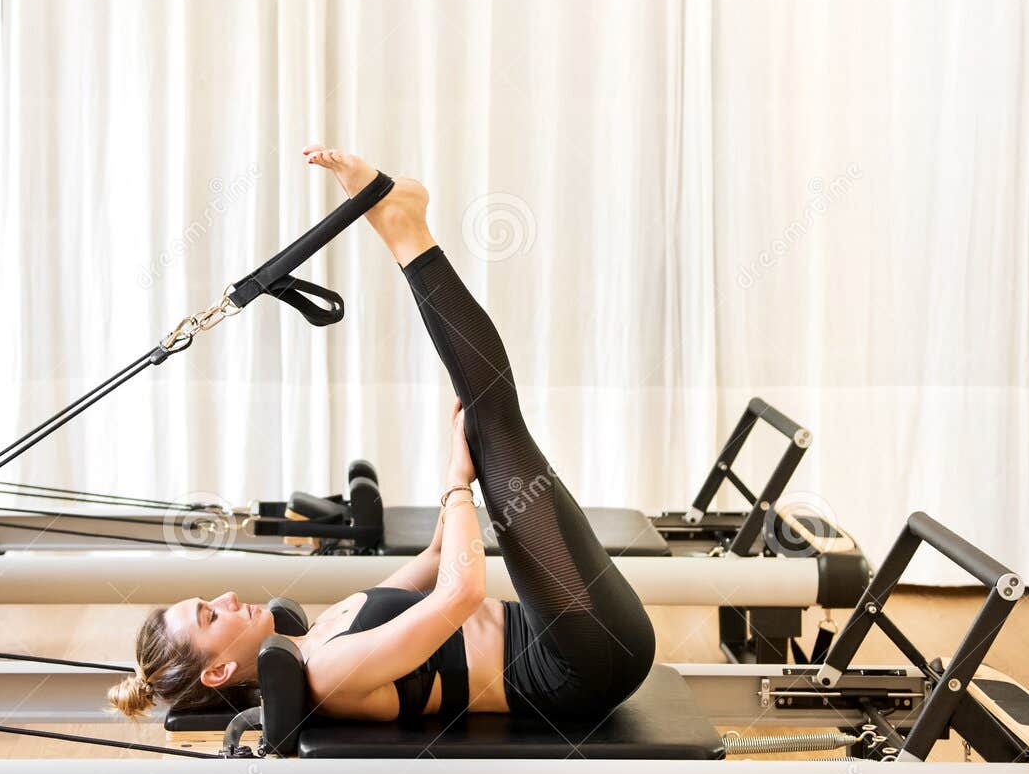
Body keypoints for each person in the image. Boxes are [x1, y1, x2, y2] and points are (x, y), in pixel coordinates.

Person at [108, 148, 656, 725]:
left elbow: (440, 557)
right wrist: (457, 484)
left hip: (567, 632)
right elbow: (461, 594)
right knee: (493, 414)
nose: (223, 599)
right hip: (582, 663)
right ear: (216, 671)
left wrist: (457, 471)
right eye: (209, 618)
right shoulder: (328, 670)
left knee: (486, 417)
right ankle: (403, 228)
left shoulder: (318, 633)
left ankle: (404, 225)